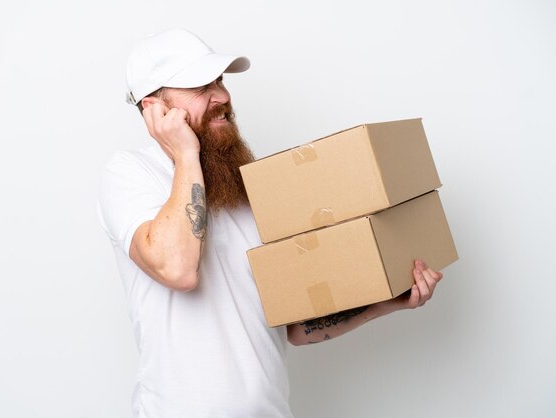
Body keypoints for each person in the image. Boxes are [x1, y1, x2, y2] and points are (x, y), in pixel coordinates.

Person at [97, 28, 444, 418]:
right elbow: (177, 268)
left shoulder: (246, 189)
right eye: (200, 86)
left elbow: (296, 326)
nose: (223, 96)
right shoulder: (130, 174)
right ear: (154, 109)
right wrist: (185, 154)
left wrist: (384, 302)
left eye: (220, 81)